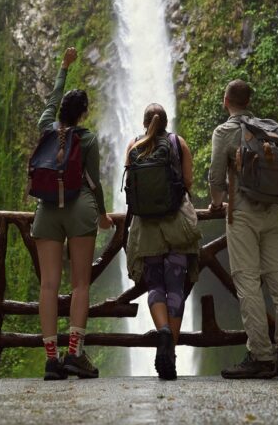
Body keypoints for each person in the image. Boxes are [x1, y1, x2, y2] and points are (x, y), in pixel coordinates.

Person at [208, 79, 278, 379]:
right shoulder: (270, 129)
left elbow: (215, 177)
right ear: (249, 101)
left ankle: (261, 356)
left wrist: (216, 203)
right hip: (274, 211)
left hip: (243, 213)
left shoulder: (225, 132)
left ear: (226, 101)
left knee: (247, 281)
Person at [32, 47, 111, 380]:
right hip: (80, 211)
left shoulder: (46, 126)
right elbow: (93, 182)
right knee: (80, 285)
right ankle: (74, 355)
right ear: (84, 113)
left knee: (48, 285)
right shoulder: (88, 139)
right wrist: (104, 215)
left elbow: (51, 100)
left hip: (47, 211)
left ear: (61, 110)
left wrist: (63, 68)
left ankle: (51, 360)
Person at [123, 103, 202, 380]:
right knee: (176, 287)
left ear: (145, 122)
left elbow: (129, 187)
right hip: (177, 226)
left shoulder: (134, 144)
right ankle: (172, 354)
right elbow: (189, 182)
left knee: (155, 284)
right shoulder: (178, 143)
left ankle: (163, 332)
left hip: (147, 230)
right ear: (167, 122)